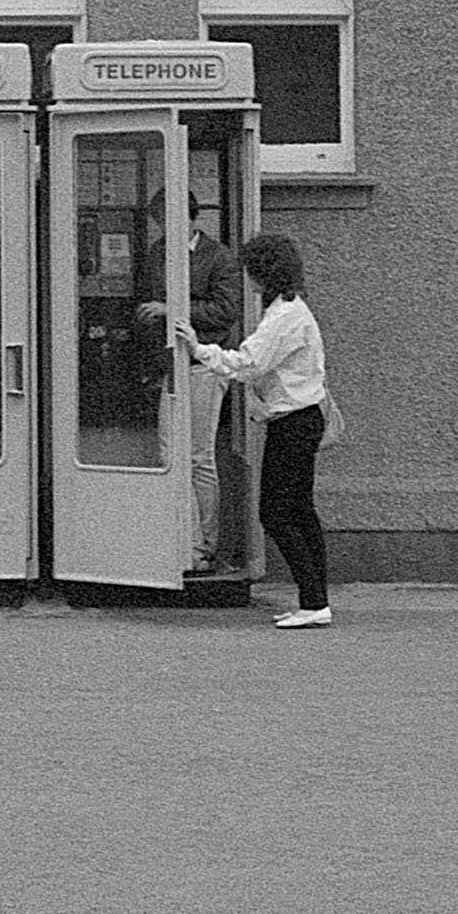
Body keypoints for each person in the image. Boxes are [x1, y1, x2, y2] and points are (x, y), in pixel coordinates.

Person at [173, 233, 333, 629]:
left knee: (276, 513)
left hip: (292, 422)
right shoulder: (290, 309)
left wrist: (198, 349)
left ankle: (313, 602)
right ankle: (316, 599)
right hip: (303, 418)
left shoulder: (284, 317)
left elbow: (248, 364)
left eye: (252, 270)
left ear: (263, 272)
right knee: (300, 512)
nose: (248, 278)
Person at [136, 192, 244, 572]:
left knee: (198, 456)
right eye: (161, 222)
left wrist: (172, 311)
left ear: (193, 218)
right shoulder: (158, 252)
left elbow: (226, 311)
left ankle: (205, 547)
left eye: (172, 220)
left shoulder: (219, 257)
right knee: (170, 453)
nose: (166, 229)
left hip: (203, 363)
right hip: (169, 364)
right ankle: (184, 538)